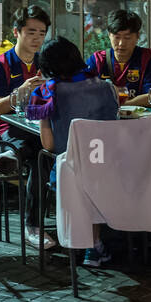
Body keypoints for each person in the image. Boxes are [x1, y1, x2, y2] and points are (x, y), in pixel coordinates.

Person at [26, 36, 119, 266]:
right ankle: (94, 245)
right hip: (108, 169)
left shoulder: (50, 92)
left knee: (61, 166)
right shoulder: (106, 87)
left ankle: (77, 241)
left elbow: (49, 145)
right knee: (92, 173)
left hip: (70, 175)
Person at [0, 4, 51, 240]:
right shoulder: (0, 64)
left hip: (40, 128)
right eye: (31, 32)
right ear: (17, 32)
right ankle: (33, 227)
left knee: (52, 151)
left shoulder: (45, 63)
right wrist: (19, 92)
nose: (37, 39)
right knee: (39, 157)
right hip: (9, 129)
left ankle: (11, 159)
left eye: (42, 33)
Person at [85, 9, 151, 107]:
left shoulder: (148, 58)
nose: (121, 43)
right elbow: (84, 92)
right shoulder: (97, 60)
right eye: (117, 37)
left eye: (127, 38)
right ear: (109, 35)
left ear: (137, 36)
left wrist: (122, 104)